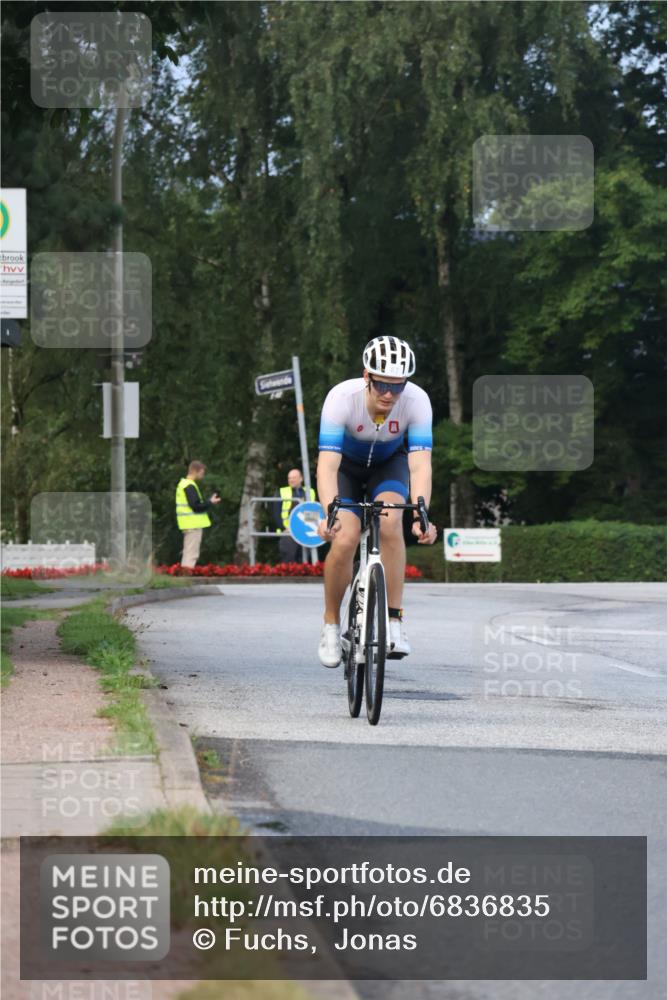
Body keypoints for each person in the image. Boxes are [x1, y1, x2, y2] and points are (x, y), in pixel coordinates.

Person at [316, 336, 437, 667]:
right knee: (345, 537)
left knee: (391, 520)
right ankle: (330, 624)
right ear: (367, 376)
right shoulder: (341, 398)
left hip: (388, 465)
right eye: (382, 384)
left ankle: (395, 621)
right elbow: (327, 465)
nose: (389, 394)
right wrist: (330, 511)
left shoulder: (417, 401)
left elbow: (420, 463)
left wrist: (422, 512)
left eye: (397, 387)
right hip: (347, 470)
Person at [175, 460, 221, 569]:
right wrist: (210, 502)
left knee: (188, 551)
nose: (202, 475)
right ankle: (187, 577)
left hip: (188, 523)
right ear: (195, 471)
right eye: (202, 473)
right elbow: (195, 506)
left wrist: (208, 501)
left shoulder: (184, 484)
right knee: (191, 553)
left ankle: (184, 575)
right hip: (192, 524)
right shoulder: (189, 486)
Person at [272, 468, 316, 563]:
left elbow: (314, 510)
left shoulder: (310, 492)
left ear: (301, 479)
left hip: (304, 531)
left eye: (294, 478)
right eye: (289, 478)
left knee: (303, 559)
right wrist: (283, 528)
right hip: (288, 532)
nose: (291, 480)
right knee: (288, 558)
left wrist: (310, 528)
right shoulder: (282, 492)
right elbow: (276, 512)